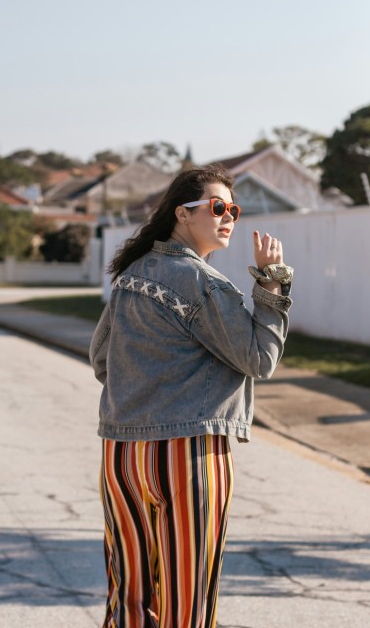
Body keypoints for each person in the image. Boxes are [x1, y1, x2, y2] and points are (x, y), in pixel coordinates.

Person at [89, 163, 292, 628]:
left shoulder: (129, 277)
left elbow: (102, 360)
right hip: (189, 454)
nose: (229, 218)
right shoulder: (204, 283)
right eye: (218, 207)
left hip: (122, 456)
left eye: (234, 210)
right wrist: (271, 283)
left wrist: (147, 386)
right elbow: (259, 359)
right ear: (183, 213)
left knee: (129, 597)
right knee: (188, 598)